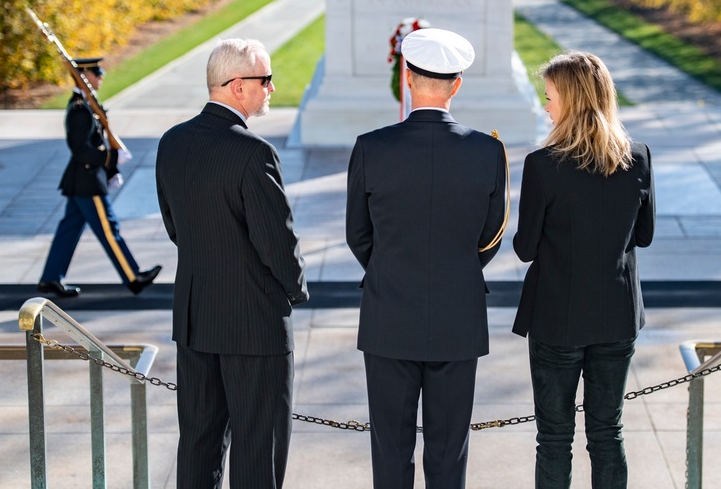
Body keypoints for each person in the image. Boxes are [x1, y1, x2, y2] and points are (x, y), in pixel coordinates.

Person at [346, 28, 508, 489]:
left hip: (388, 317)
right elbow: (490, 238)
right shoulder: (488, 151)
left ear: (409, 79)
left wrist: (392, 269)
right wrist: (454, 270)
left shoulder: (372, 147)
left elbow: (358, 235)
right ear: (457, 84)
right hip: (458, 318)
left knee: (390, 451)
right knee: (448, 451)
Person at [155, 38, 308, 489]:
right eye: (265, 80)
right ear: (237, 86)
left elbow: (174, 227)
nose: (272, 89)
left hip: (196, 317)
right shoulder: (253, 152)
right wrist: (295, 289)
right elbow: (277, 242)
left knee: (199, 444)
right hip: (254, 325)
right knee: (259, 449)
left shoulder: (173, 143)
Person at [512, 50, 655, 488]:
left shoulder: (542, 166)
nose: (545, 105)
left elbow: (525, 248)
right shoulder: (639, 157)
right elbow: (643, 236)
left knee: (554, 437)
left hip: (557, 318)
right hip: (616, 314)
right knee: (607, 433)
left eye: (550, 96)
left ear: (571, 101)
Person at [37, 56, 161, 297]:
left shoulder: (86, 104)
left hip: (84, 180)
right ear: (84, 76)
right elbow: (81, 150)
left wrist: (110, 169)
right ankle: (133, 276)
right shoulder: (79, 110)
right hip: (87, 182)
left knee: (69, 229)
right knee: (108, 229)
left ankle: (51, 277)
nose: (101, 75)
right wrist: (111, 159)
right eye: (97, 72)